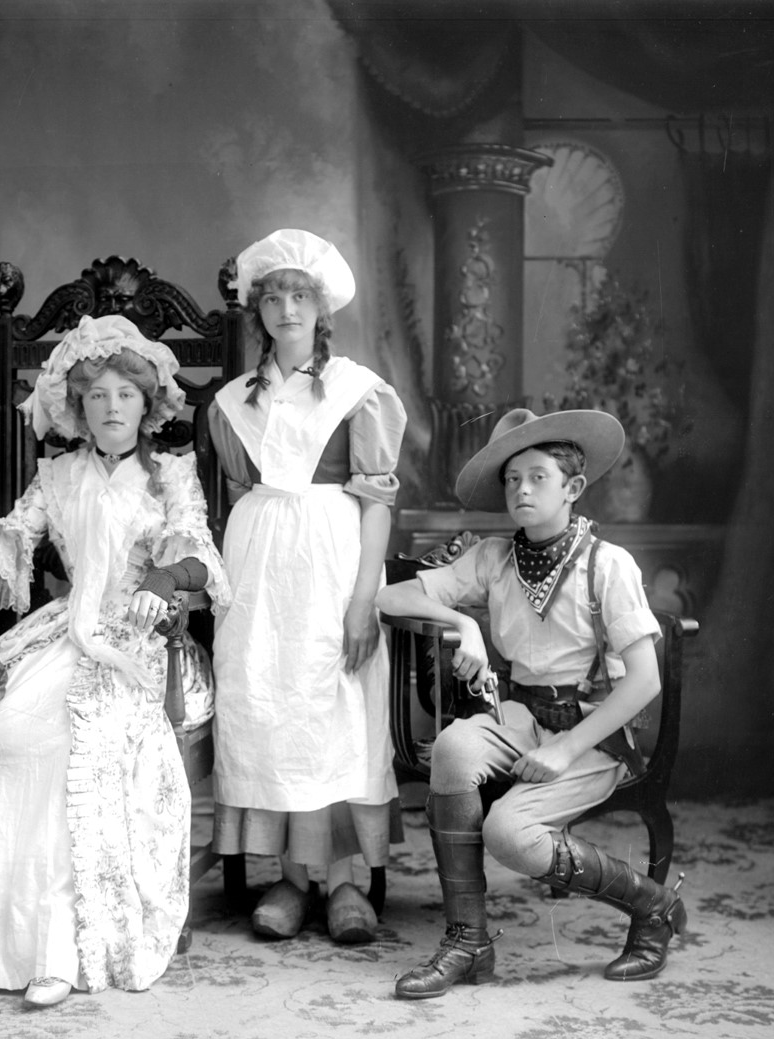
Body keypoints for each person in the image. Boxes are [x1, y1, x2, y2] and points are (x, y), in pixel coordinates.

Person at [0, 314, 228, 1007]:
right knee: (8, 731)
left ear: (149, 406)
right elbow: (3, 541)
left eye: (126, 395)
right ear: (77, 407)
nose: (112, 407)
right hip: (63, 633)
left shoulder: (169, 475)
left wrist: (164, 582)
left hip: (139, 641)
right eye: (98, 395)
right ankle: (13, 941)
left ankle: (63, 948)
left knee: (65, 745)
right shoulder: (56, 476)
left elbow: (198, 553)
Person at [376, 407, 684, 999]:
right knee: (453, 748)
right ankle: (469, 941)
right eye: (512, 479)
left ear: (573, 488)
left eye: (537, 477)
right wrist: (462, 624)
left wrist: (567, 750)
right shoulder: (494, 558)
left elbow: (644, 681)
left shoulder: (607, 565)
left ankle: (655, 907)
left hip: (594, 732)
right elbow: (389, 598)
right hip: (519, 715)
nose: (521, 490)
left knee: (510, 835)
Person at [209, 229, 407, 944]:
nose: (286, 308)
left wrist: (363, 600)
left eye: (299, 296)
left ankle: (347, 880)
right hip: (261, 570)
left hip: (334, 561)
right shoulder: (233, 403)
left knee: (337, 714)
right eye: (272, 297)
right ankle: (292, 882)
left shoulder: (358, 391)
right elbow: (236, 498)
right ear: (256, 310)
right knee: (270, 707)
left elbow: (377, 503)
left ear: (322, 308)